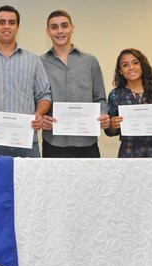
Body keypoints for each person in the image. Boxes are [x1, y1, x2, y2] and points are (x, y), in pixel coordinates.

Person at [0, 5, 51, 158]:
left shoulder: (32, 60)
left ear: (18, 27)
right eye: (2, 22)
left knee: (30, 182)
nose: (7, 26)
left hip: (26, 140)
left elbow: (44, 95)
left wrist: (39, 114)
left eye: (12, 22)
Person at [39, 10, 110, 158]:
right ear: (48, 31)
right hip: (53, 141)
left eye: (64, 26)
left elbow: (100, 97)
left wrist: (103, 114)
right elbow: (36, 98)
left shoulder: (90, 61)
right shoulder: (39, 63)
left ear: (72, 28)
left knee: (91, 182)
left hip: (87, 141)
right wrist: (41, 117)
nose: (60, 31)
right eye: (54, 27)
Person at [105, 48, 152, 157]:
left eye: (135, 63)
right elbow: (110, 131)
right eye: (125, 65)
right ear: (120, 71)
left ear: (142, 65)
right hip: (129, 152)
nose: (131, 67)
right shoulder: (115, 94)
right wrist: (112, 124)